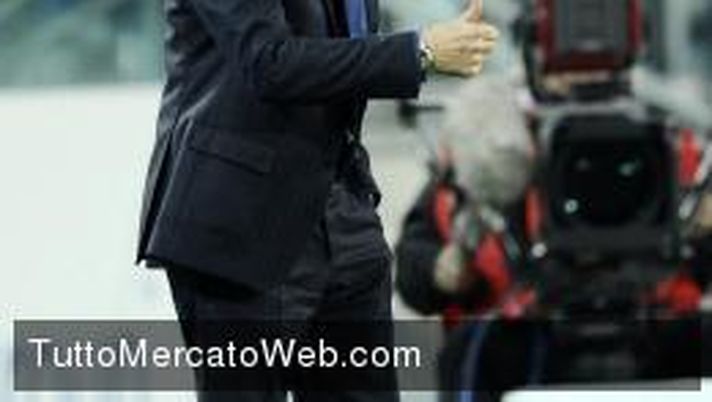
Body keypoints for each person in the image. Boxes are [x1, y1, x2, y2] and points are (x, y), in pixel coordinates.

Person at [135, 0, 499, 401]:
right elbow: (270, 61)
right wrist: (419, 52)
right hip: (238, 221)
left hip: (344, 210)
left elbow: (343, 47)